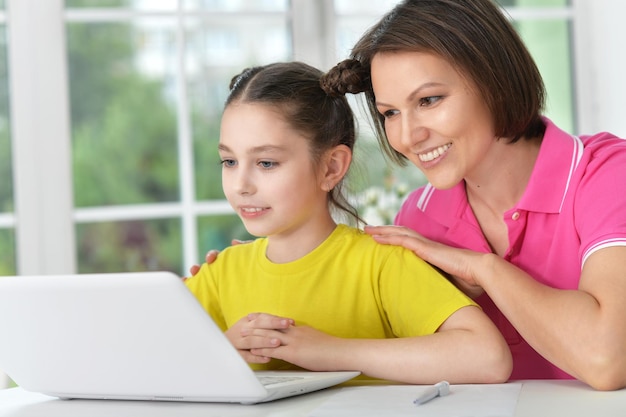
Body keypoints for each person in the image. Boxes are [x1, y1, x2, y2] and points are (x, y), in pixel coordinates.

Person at [317, 0, 626, 390]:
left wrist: (483, 268)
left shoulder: (605, 174)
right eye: (390, 113)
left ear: (494, 80)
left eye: (429, 100)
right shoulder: (418, 218)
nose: (408, 137)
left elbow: (607, 358)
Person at [184, 61, 512, 385]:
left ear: (331, 167)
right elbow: (144, 358)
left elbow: (489, 358)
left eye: (266, 163)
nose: (241, 185)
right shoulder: (219, 275)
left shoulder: (382, 263)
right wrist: (220, 351)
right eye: (229, 161)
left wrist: (332, 352)